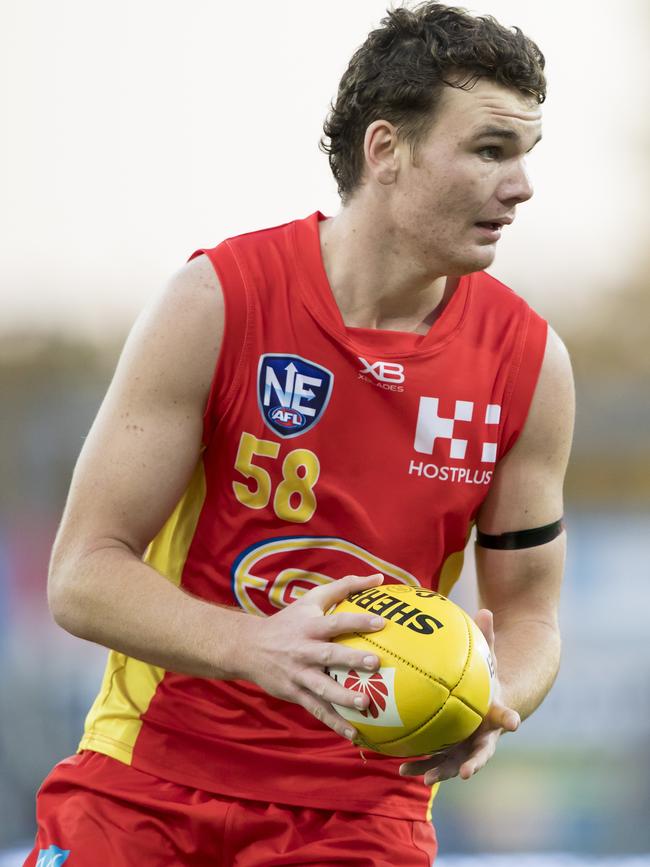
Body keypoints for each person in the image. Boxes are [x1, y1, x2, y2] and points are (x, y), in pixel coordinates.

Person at [25, 3, 574, 865]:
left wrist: (492, 696)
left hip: (364, 812)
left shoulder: (529, 363)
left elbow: (532, 609)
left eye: (526, 156)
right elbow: (82, 575)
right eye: (490, 150)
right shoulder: (217, 300)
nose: (523, 185)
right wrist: (254, 648)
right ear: (385, 150)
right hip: (149, 783)